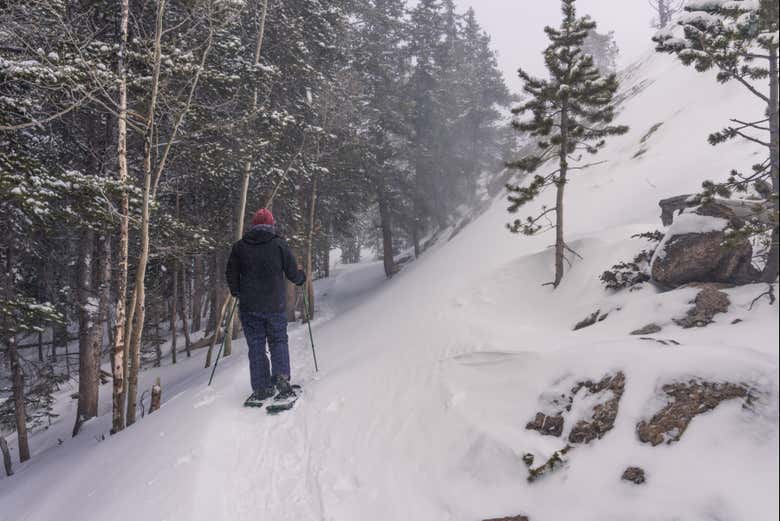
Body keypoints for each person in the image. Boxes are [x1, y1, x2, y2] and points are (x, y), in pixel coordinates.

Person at [226, 208, 306, 407]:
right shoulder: (279, 245)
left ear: (253, 226)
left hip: (250, 307)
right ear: (271, 225)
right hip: (274, 305)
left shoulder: (240, 247)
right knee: (278, 340)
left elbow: (230, 273)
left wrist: (237, 291)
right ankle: (281, 379)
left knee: (256, 345)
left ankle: (261, 387)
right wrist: (300, 278)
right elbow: (292, 272)